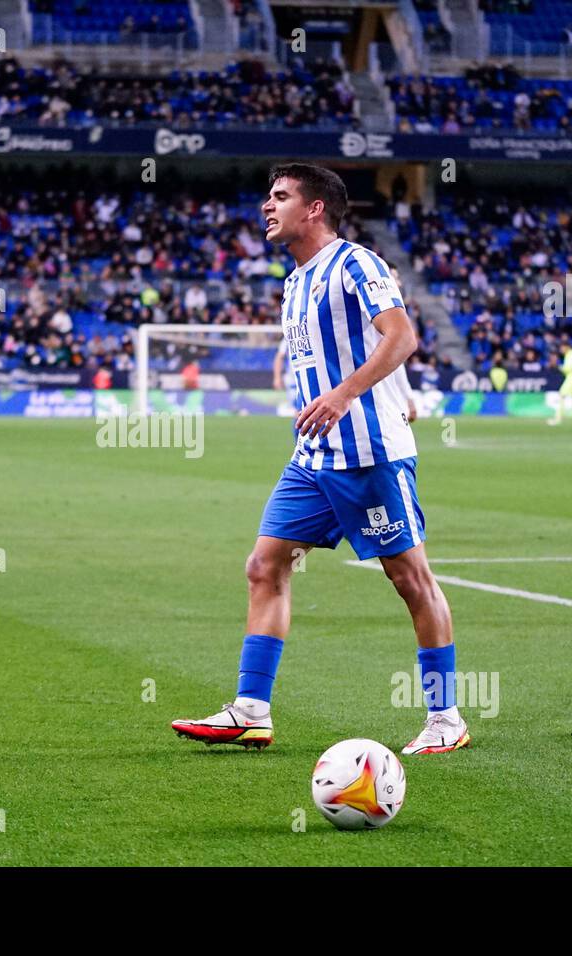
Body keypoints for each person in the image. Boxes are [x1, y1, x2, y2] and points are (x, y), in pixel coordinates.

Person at [172, 164, 469, 757]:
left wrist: (346, 394)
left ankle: (446, 717)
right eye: (267, 194)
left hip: (368, 452)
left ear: (314, 209)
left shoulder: (355, 262)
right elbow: (366, 343)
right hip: (312, 455)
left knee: (409, 578)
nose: (267, 205)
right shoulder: (293, 283)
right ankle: (251, 711)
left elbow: (400, 334)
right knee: (264, 565)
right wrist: (391, 390)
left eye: (280, 196)